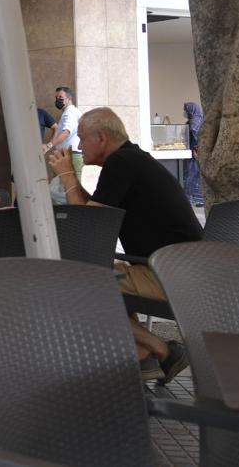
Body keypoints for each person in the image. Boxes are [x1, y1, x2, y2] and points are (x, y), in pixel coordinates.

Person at [48, 107, 202, 383]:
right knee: (101, 272)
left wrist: (68, 176)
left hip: (168, 275)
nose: (80, 146)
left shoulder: (121, 164)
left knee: (76, 282)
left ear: (102, 138)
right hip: (184, 269)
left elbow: (88, 226)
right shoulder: (132, 160)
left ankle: (161, 349)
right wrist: (70, 176)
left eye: (83, 139)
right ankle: (144, 355)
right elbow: (94, 211)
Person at [43, 86, 83, 180]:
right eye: (56, 98)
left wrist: (49, 145)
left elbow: (66, 132)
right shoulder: (70, 112)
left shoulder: (70, 113)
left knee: (68, 188)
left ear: (69, 98)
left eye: (60, 97)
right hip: (69, 155)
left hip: (70, 156)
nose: (57, 100)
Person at [183, 101, 204, 207]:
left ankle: (196, 199)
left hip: (194, 152)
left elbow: (196, 135)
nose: (185, 112)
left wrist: (197, 149)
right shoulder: (192, 121)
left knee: (193, 174)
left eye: (186, 110)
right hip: (191, 151)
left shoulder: (196, 121)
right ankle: (193, 198)